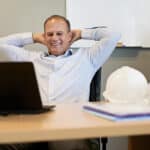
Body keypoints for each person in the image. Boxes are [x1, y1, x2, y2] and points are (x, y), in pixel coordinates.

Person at [0, 15, 120, 150]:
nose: (54, 38)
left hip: (69, 126)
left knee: (63, 145)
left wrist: (81, 34)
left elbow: (113, 35)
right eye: (49, 34)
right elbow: (1, 43)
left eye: (59, 34)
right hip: (34, 125)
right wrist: (34, 37)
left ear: (69, 36)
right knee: (5, 142)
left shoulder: (87, 58)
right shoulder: (29, 58)